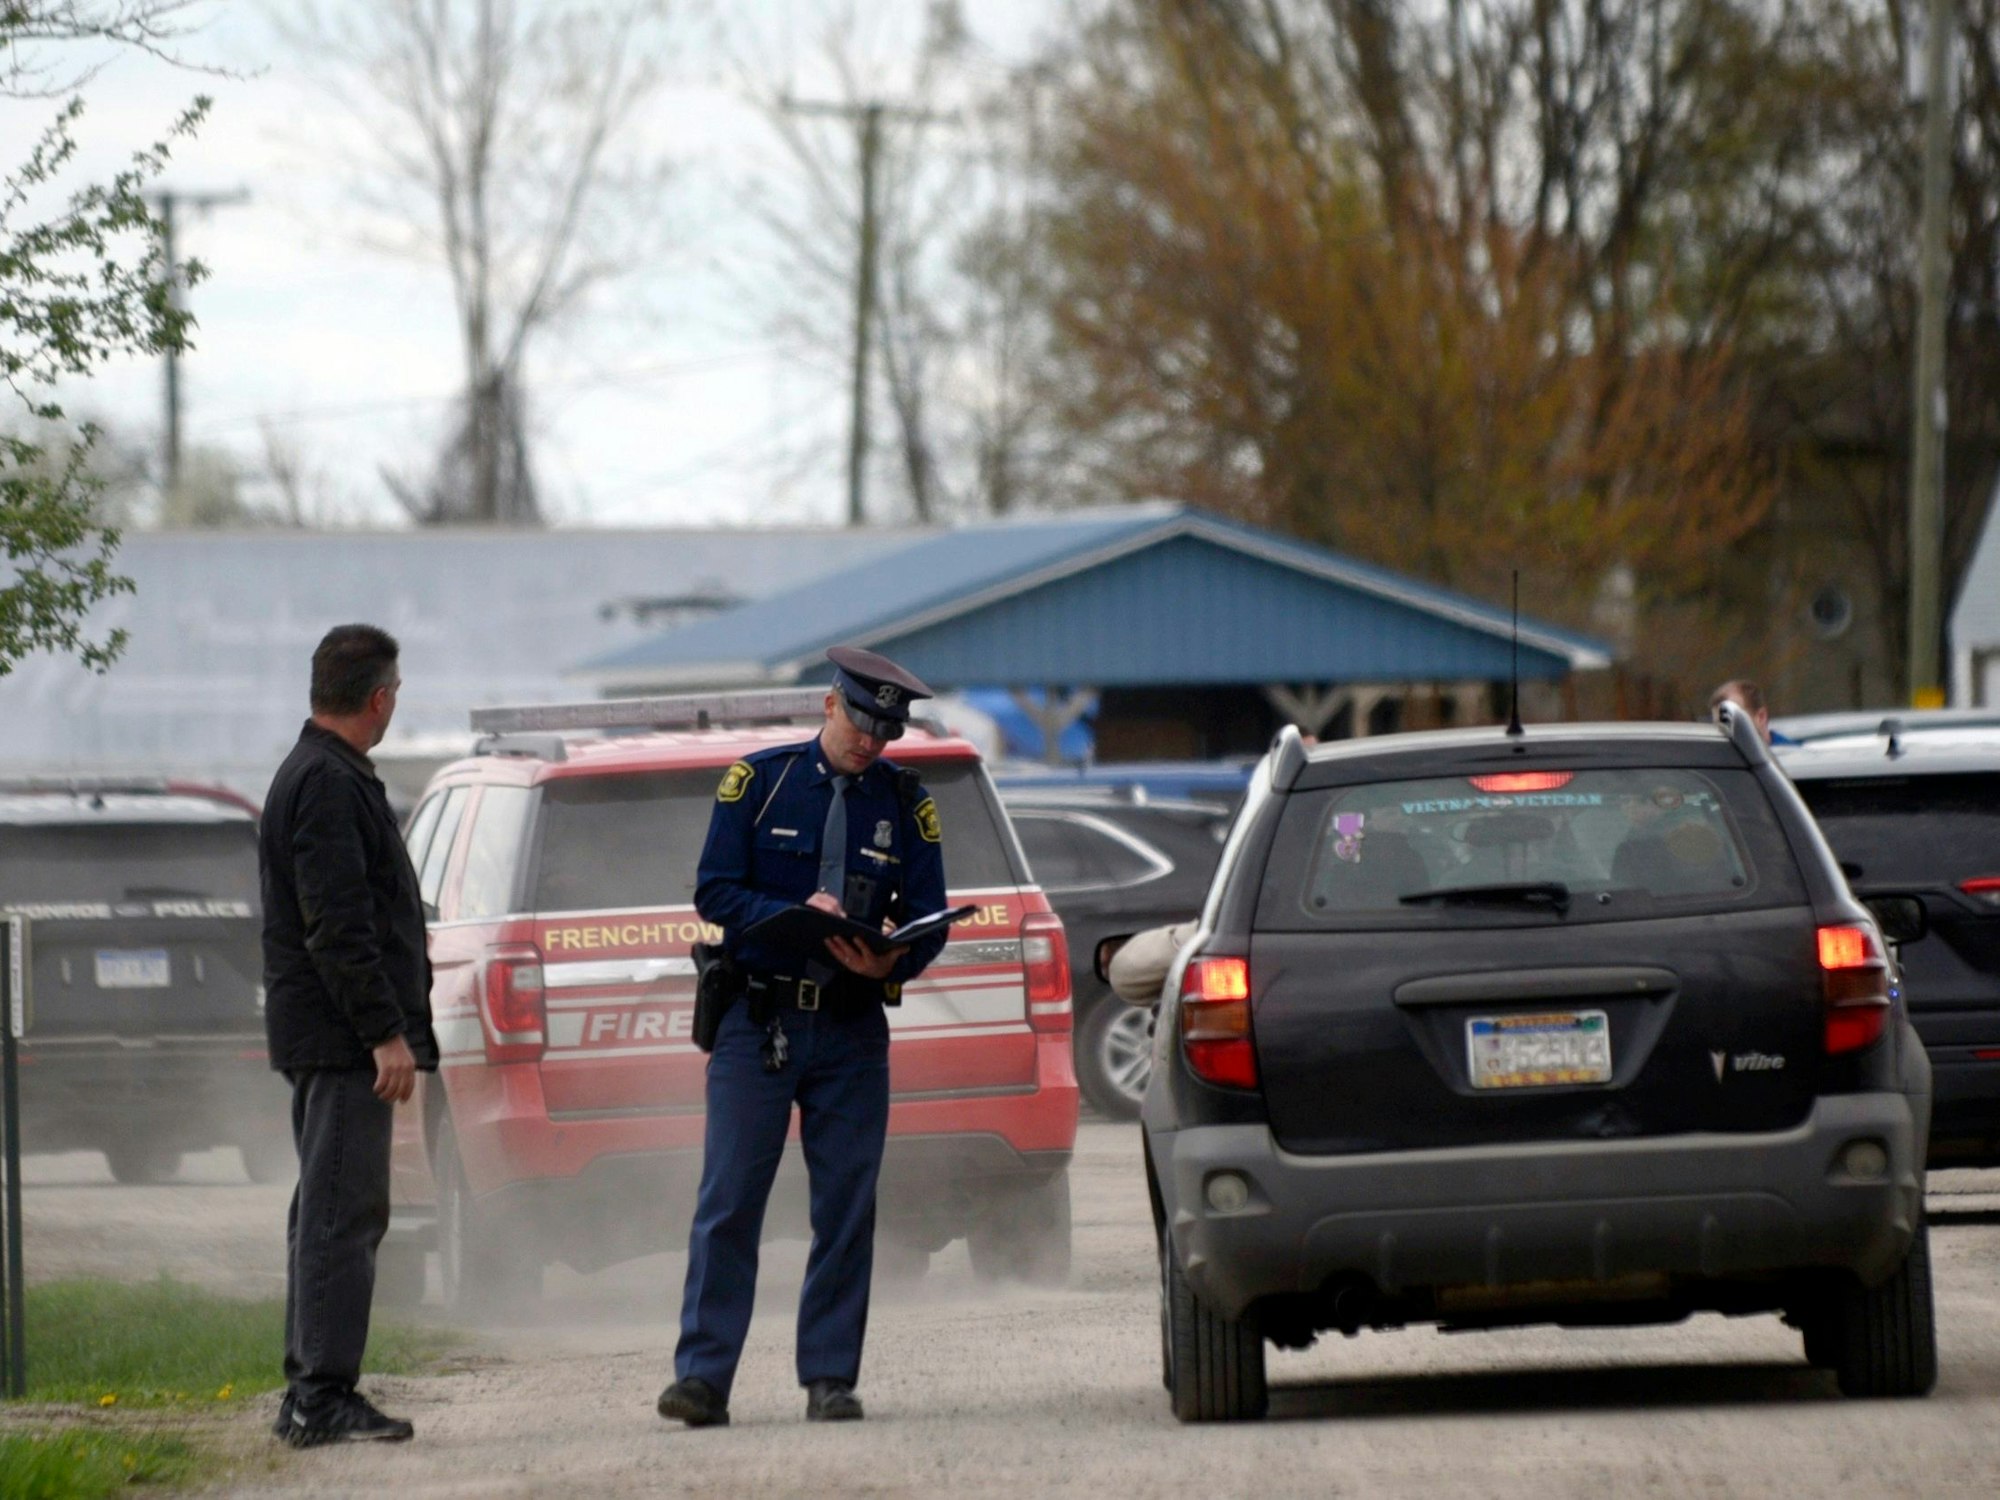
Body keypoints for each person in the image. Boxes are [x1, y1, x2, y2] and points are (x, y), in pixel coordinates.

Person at [657, 645, 950, 1429]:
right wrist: (788, 921)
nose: (870, 741)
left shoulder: (904, 802)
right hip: (759, 1022)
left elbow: (929, 917)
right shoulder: (758, 782)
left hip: (851, 1028)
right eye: (860, 720)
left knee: (846, 1207)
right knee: (730, 1203)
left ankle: (829, 1378)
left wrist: (896, 954)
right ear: (830, 705)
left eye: (886, 730)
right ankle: (703, 1379)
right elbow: (714, 889)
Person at [260, 624, 437, 1448]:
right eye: (394, 692)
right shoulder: (327, 784)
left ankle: (314, 1388)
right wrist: (384, 1034)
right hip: (341, 1043)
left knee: (330, 1210)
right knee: (342, 1213)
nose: (395, 704)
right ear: (379, 698)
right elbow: (338, 926)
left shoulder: (325, 774)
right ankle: (320, 1398)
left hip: (334, 1039)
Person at [1709, 679, 1797, 746]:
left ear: (1761, 717)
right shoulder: (1719, 761)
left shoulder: (1794, 759)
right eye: (1719, 726)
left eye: (1732, 723)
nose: (1726, 733)